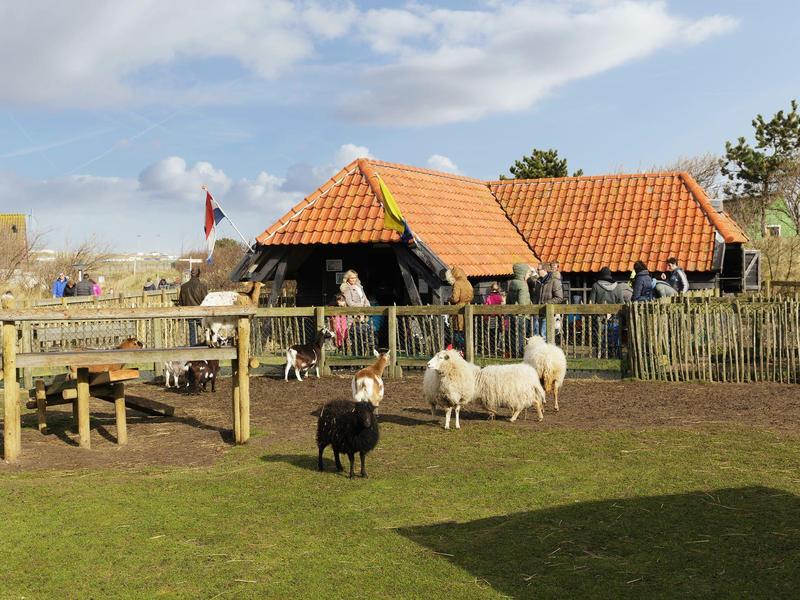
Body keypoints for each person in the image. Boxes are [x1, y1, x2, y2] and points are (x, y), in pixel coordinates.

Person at [179, 268, 209, 345]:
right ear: (199, 274)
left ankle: (193, 347)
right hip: (201, 312)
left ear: (190, 274)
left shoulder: (184, 287)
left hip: (189, 312)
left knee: (192, 332)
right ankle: (207, 346)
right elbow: (206, 301)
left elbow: (181, 302)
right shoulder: (203, 286)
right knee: (206, 330)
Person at [447, 266, 474, 351]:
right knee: (466, 331)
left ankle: (459, 350)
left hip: (459, 309)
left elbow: (455, 298)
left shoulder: (457, 283)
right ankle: (466, 349)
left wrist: (449, 298)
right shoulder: (468, 282)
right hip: (468, 307)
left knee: (458, 331)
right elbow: (472, 296)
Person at [507, 263, 531, 355]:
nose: (529, 274)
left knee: (514, 335)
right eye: (527, 272)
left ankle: (514, 352)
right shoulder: (523, 285)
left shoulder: (512, 283)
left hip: (513, 315)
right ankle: (520, 352)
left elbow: (508, 300)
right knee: (522, 335)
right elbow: (523, 303)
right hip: (522, 316)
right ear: (523, 272)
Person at [484, 282, 505, 357]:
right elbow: (502, 306)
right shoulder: (500, 297)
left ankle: (492, 349)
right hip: (498, 317)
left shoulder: (489, 297)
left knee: (491, 333)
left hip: (491, 317)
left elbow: (486, 307)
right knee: (498, 333)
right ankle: (496, 347)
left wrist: (486, 317)